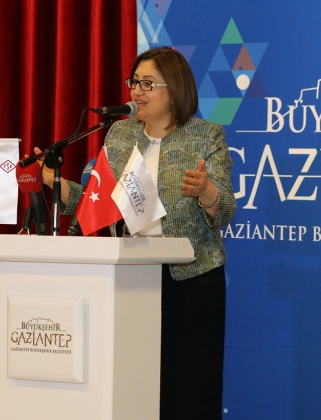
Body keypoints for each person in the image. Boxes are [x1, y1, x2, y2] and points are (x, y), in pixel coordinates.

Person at [37, 47, 236, 419]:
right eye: (134, 83)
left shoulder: (206, 136)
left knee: (190, 389)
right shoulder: (120, 134)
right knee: (135, 386)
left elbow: (224, 211)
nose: (136, 92)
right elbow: (98, 202)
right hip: (132, 277)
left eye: (148, 84)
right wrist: (55, 183)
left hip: (191, 282)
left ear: (174, 90)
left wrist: (207, 192)